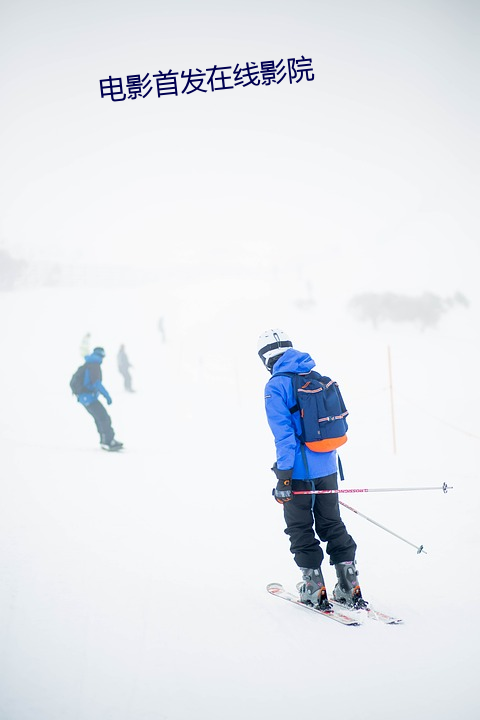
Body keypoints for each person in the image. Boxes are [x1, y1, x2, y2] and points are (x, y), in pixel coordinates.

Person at [257, 328, 366, 610]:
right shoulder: (315, 377)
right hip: (328, 465)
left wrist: (284, 477)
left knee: (300, 527)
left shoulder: (276, 386)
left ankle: (313, 587)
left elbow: (284, 436)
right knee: (332, 523)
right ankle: (348, 585)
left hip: (298, 472)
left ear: (266, 358)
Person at [76, 346, 123, 451]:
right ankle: (108, 441)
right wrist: (107, 396)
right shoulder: (94, 365)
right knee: (104, 418)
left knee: (100, 418)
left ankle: (104, 440)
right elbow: (96, 383)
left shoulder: (89, 363)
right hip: (89, 398)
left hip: (85, 398)